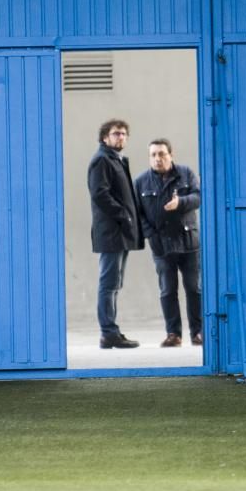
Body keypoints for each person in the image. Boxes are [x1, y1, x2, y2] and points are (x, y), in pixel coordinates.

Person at [134, 139, 203, 347]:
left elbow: (199, 197)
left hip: (189, 243)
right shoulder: (141, 182)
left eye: (162, 154)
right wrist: (151, 236)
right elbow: (138, 214)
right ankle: (173, 334)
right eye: (153, 155)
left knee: (194, 288)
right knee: (167, 290)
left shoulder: (186, 173)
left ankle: (198, 332)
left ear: (171, 155)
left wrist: (180, 203)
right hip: (161, 246)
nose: (158, 158)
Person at [88, 119, 144, 349]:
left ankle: (111, 331)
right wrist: (123, 215)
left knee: (114, 283)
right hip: (111, 232)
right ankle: (108, 333)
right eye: (115, 134)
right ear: (104, 137)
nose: (120, 137)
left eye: (123, 134)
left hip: (120, 232)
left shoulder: (116, 160)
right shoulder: (101, 160)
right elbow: (100, 194)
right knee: (109, 283)